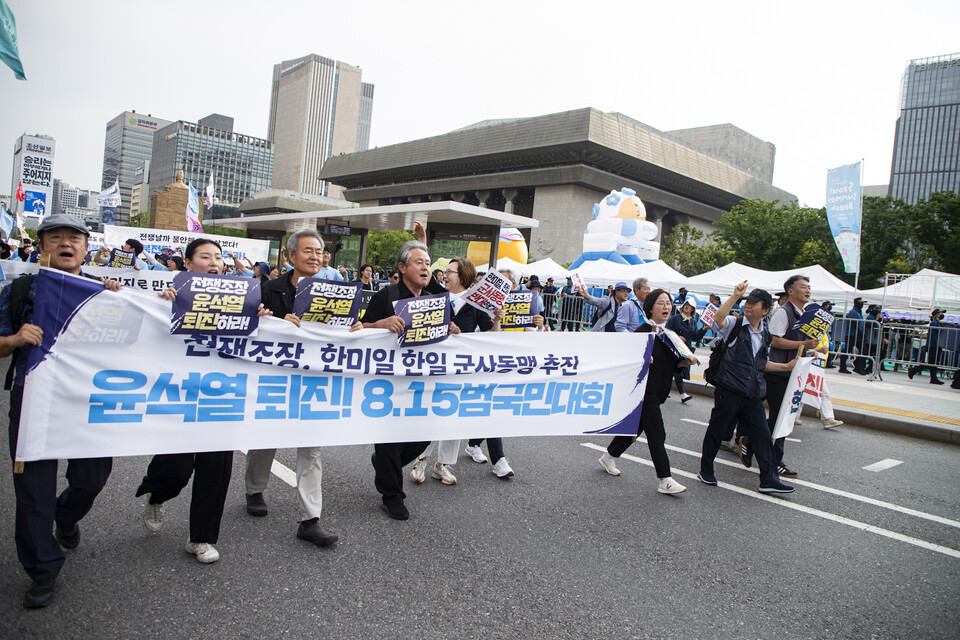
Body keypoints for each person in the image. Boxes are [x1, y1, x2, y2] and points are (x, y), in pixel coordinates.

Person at [0, 215, 120, 608]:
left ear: (87, 249)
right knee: (33, 491)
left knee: (91, 478)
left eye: (74, 238)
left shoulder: (106, 292)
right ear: (42, 246)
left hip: (91, 402)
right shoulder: (18, 290)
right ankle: (42, 569)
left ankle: (66, 516)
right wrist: (15, 339)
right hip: (34, 398)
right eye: (56, 238)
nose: (66, 244)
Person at [136, 238, 266, 564]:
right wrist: (160, 303)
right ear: (189, 262)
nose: (213, 262)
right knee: (176, 468)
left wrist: (262, 316)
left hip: (221, 397)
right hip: (181, 394)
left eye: (218, 257)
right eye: (205, 256)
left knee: (216, 469)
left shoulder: (242, 297)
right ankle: (158, 493)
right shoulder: (174, 294)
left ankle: (201, 538)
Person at [243, 230, 340, 547]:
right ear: (291, 255)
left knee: (311, 447)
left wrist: (355, 327)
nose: (315, 256)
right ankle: (255, 489)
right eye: (308, 250)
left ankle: (310, 519)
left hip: (314, 378)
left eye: (319, 251)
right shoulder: (269, 288)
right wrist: (273, 322)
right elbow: (251, 327)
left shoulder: (334, 292)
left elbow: (342, 330)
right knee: (266, 438)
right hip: (275, 376)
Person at [362, 241, 460, 520]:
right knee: (390, 438)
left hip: (424, 380)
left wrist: (451, 327)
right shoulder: (387, 295)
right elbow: (360, 329)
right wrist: (379, 324)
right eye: (419, 263)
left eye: (428, 264)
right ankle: (392, 495)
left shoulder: (435, 297)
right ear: (402, 268)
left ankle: (384, 463)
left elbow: (450, 328)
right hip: (389, 381)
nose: (426, 268)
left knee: (422, 437)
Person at [411, 258, 509, 484]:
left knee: (451, 417)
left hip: (460, 372)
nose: (444, 275)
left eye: (449, 272)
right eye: (445, 272)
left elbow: (492, 337)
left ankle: (442, 465)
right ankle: (421, 460)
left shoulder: (476, 306)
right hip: (433, 367)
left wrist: (496, 320)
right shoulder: (435, 297)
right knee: (429, 416)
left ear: (463, 277)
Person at [697, 282, 798, 494]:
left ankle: (769, 479)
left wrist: (785, 367)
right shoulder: (735, 324)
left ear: (766, 310)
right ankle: (706, 469)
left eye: (754, 303)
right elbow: (717, 319)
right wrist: (735, 296)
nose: (749, 306)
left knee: (762, 436)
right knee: (717, 430)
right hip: (730, 390)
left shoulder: (765, 334)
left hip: (753, 394)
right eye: (747, 302)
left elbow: (760, 364)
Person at [598, 289, 694, 494]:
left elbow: (672, 364)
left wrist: (684, 361)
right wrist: (640, 358)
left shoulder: (670, 335)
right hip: (643, 392)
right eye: (660, 303)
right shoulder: (642, 332)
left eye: (668, 303)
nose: (666, 307)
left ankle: (608, 457)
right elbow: (627, 360)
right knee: (657, 434)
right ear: (649, 308)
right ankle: (665, 479)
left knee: (635, 429)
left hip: (659, 391)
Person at [763, 275, 821, 479]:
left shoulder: (804, 314)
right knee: (780, 417)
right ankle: (774, 461)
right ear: (790, 291)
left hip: (793, 374)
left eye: (809, 287)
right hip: (779, 372)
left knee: (781, 417)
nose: (808, 290)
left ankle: (752, 442)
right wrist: (802, 345)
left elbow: (800, 343)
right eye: (803, 287)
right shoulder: (783, 313)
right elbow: (775, 341)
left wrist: (812, 349)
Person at [665, 299, 704, 403]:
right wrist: (677, 337)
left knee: (678, 371)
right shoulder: (674, 319)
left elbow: (695, 337)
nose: (687, 307)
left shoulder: (693, 322)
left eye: (690, 305)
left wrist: (704, 329)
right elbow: (666, 331)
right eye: (686, 304)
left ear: (693, 309)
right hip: (673, 349)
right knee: (673, 370)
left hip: (685, 350)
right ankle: (680, 394)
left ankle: (677, 393)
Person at [909, 309, 945, 385]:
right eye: (940, 313)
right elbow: (934, 336)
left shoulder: (936, 322)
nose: (941, 314)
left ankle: (933, 378)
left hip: (933, 345)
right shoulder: (935, 323)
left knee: (932, 362)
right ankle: (914, 370)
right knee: (932, 362)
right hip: (933, 345)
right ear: (937, 314)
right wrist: (938, 344)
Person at [839, 297, 866, 374]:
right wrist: (860, 332)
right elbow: (855, 323)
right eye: (861, 303)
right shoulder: (853, 312)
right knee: (847, 351)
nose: (862, 304)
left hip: (856, 334)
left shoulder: (858, 312)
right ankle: (843, 367)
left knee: (863, 350)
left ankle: (858, 366)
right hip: (852, 334)